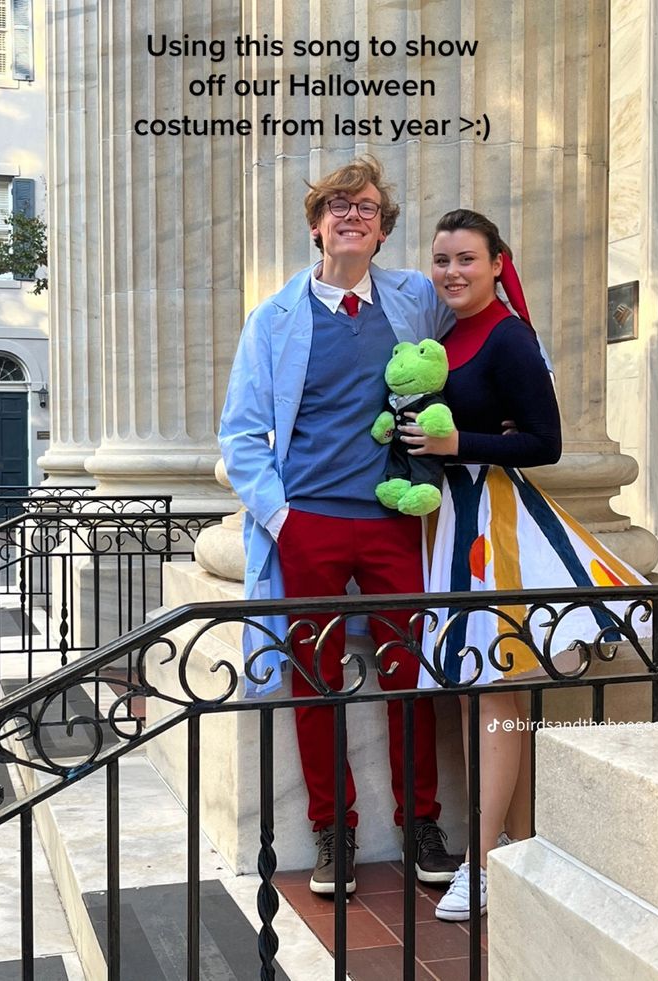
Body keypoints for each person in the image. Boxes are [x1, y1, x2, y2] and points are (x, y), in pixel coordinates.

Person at [400, 208, 658, 922]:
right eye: (442, 260)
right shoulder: (446, 335)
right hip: (451, 526)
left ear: (499, 262)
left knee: (488, 687)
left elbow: (544, 443)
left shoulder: (508, 336)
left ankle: (480, 861)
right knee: (490, 695)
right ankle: (516, 847)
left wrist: (456, 442)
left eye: (466, 258)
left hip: (494, 528)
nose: (452, 271)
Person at [218, 157, 458, 895]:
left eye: (368, 208)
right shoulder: (275, 319)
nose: (353, 216)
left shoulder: (414, 299)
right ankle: (333, 831)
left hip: (394, 522)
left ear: (383, 231)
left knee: (407, 676)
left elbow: (479, 312)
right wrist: (283, 520)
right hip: (309, 526)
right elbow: (241, 434)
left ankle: (421, 821)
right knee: (315, 682)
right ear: (317, 223)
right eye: (339, 206)